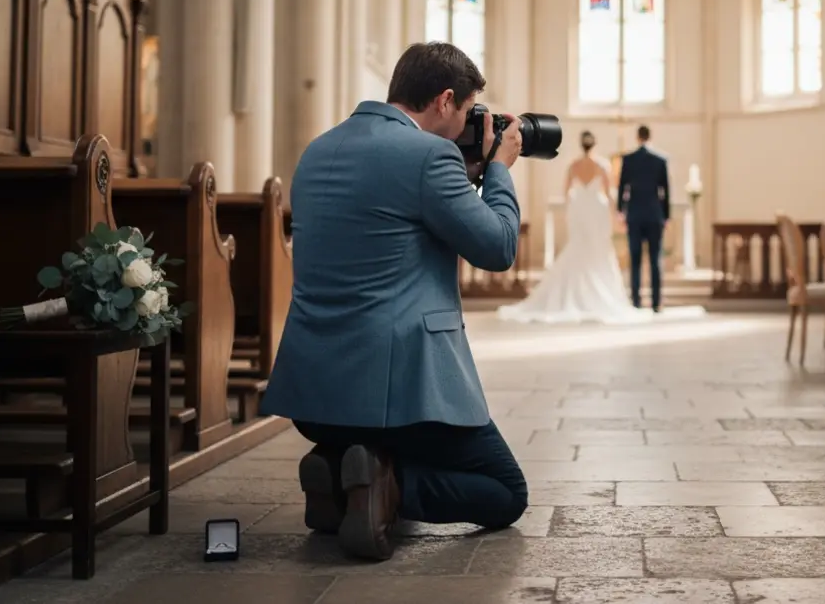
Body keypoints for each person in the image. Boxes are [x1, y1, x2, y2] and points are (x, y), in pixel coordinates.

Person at [260, 42, 528, 562]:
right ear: (445, 100)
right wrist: (498, 169)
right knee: (504, 491)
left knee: (357, 439)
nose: (472, 125)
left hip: (315, 397)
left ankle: (339, 469)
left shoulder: (318, 150)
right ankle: (383, 485)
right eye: (471, 112)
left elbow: (392, 218)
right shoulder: (430, 156)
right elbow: (498, 248)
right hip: (399, 398)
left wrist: (465, 173)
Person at [497, 131, 654, 325]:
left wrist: (574, 210)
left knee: (579, 248)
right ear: (594, 145)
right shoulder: (602, 165)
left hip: (580, 210)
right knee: (598, 252)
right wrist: (618, 215)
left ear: (581, 145)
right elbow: (610, 194)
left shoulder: (573, 166)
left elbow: (567, 194)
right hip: (596, 210)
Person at [617, 125, 670, 312]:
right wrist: (666, 216)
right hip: (654, 214)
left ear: (638, 137)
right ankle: (656, 302)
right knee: (655, 260)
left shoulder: (629, 159)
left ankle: (636, 301)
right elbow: (665, 191)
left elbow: (622, 188)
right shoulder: (660, 159)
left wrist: (620, 211)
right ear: (650, 136)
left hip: (635, 214)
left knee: (635, 259)